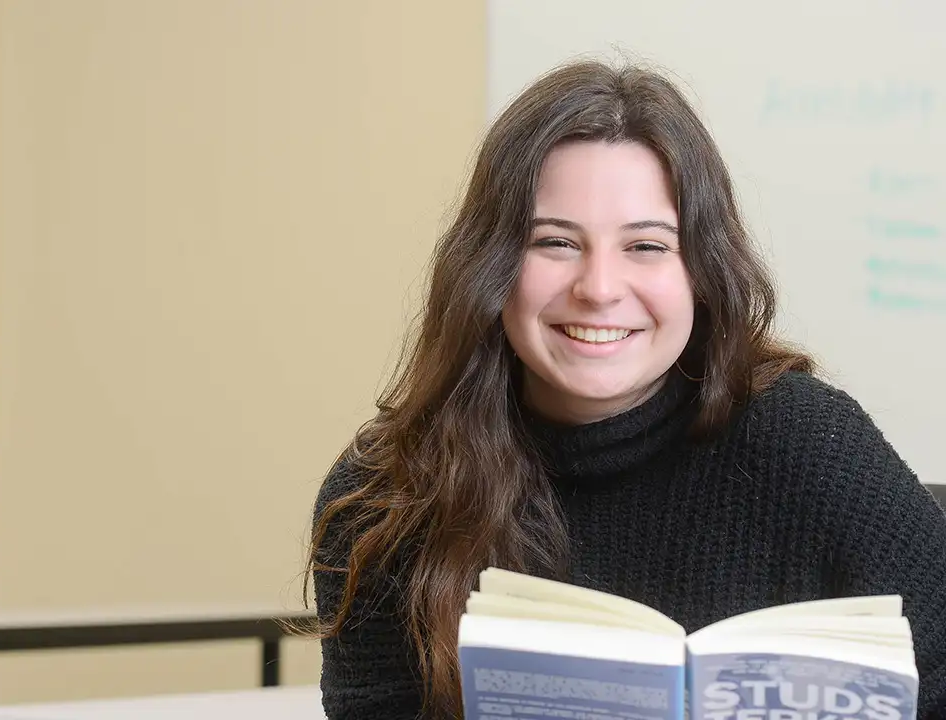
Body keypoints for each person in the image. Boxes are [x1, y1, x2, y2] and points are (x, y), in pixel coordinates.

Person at [303, 59, 946, 720]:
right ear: (490, 266)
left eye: (646, 246)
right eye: (554, 242)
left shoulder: (811, 443)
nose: (600, 288)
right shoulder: (385, 501)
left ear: (701, 269)